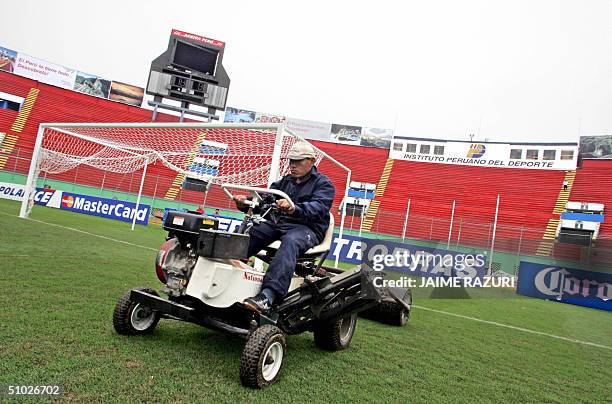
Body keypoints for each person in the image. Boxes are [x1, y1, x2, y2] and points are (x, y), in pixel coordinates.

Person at [233, 142, 335, 314]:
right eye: (291, 161)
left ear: (311, 161)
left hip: (307, 228)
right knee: (251, 231)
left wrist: (293, 208)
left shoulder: (323, 184)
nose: (293, 165)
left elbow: (318, 208)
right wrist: (246, 203)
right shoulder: (284, 182)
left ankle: (268, 296)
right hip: (280, 224)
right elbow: (264, 201)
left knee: (291, 241)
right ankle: (226, 270)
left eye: (298, 161)